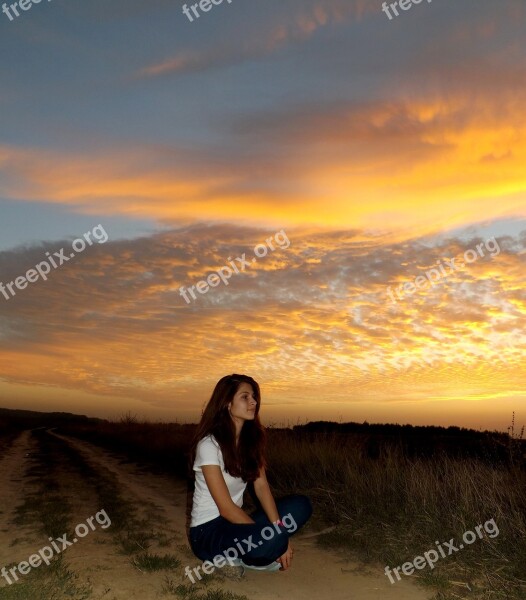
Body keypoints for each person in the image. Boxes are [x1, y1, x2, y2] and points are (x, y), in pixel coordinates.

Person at [186, 374, 313, 574]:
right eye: (245, 397)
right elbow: (226, 508)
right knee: (274, 537)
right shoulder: (209, 445)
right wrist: (275, 536)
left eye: (254, 396)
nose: (253, 401)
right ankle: (247, 557)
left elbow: (262, 488)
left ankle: (247, 552)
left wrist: (276, 529)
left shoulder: (250, 444)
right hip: (207, 533)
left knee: (301, 506)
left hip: (236, 526)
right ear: (227, 403)